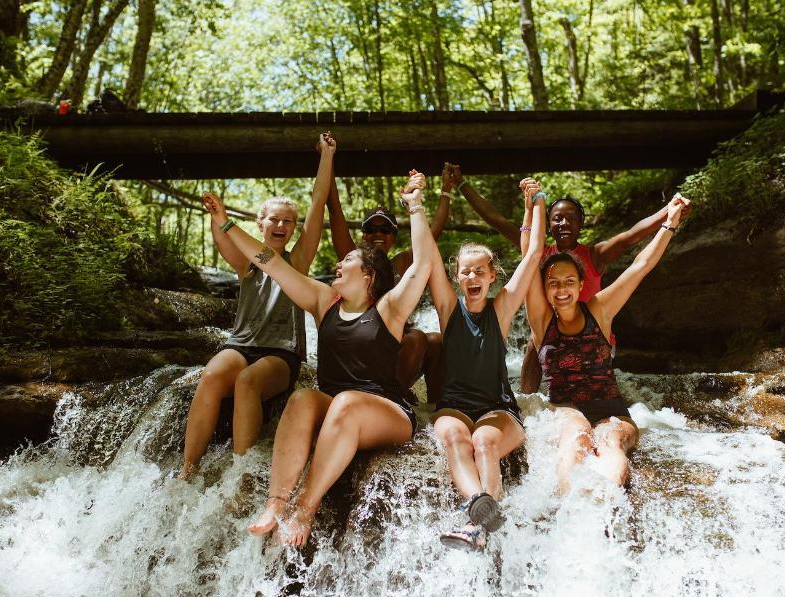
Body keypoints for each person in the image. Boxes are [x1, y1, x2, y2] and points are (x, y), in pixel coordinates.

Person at [204, 171, 437, 547]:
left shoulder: (390, 308)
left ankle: (305, 508)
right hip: (335, 408)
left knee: (345, 402)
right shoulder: (322, 301)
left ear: (368, 275)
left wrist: (415, 205)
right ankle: (276, 502)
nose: (338, 265)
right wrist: (226, 224)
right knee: (301, 397)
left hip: (385, 411)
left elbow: (423, 264)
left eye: (347, 260)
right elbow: (269, 261)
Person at [445, 163, 689, 393]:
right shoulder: (538, 253)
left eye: (571, 218)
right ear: (548, 224)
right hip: (550, 336)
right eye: (557, 218)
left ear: (581, 224)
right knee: (534, 339)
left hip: (591, 335)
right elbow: (495, 219)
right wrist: (462, 184)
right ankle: (528, 402)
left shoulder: (595, 254)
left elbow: (631, 236)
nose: (564, 223)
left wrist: (668, 213)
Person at [178, 133, 335, 480]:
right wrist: (218, 215)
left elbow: (318, 201)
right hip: (241, 345)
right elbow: (223, 239)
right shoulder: (247, 263)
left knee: (247, 381)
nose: (280, 225)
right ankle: (188, 468)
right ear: (260, 224)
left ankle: (241, 472)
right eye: (274, 220)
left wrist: (326, 155)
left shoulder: (299, 260)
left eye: (287, 221)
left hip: (281, 354)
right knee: (212, 376)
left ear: (294, 228)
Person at [524, 193, 689, 493]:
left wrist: (669, 224)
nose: (562, 289)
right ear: (544, 289)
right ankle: (570, 510)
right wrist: (532, 207)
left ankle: (608, 509)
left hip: (613, 411)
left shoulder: (600, 310)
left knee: (609, 442)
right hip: (566, 408)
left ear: (581, 284)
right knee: (576, 439)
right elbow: (530, 258)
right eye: (554, 283)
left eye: (569, 281)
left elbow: (640, 266)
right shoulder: (541, 321)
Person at [426, 178, 547, 551]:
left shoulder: (502, 308)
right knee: (453, 436)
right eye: (466, 271)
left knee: (483, 440)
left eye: (480, 271)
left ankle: (474, 523)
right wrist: (417, 204)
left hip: (498, 409)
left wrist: (537, 202)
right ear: (457, 277)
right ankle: (481, 512)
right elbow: (427, 254)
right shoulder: (448, 308)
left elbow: (534, 254)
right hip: (455, 406)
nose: (473, 277)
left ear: (493, 276)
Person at [325, 163, 454, 396]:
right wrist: (328, 164)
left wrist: (446, 190)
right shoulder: (353, 260)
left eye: (385, 229)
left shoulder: (403, 263)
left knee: (434, 341)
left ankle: (435, 408)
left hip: (394, 343)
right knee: (415, 339)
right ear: (363, 235)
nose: (378, 234)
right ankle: (391, 395)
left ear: (394, 236)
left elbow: (433, 232)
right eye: (371, 229)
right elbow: (335, 212)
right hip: (362, 345)